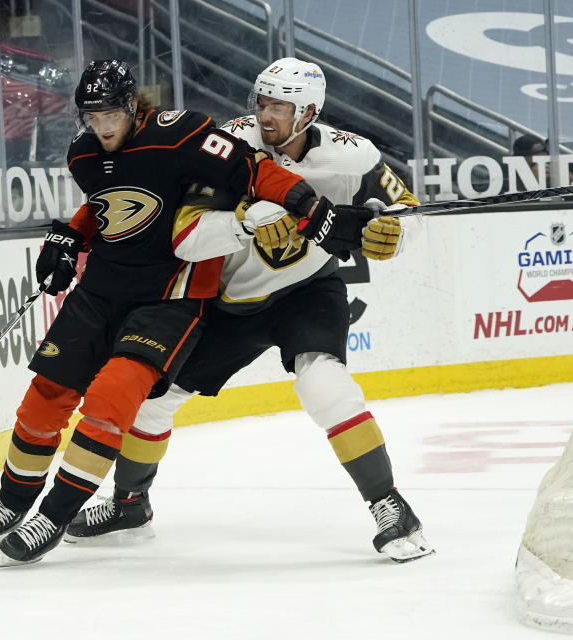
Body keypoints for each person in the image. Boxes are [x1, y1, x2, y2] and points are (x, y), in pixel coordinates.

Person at [0, 59, 350, 566]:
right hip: (100, 290)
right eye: (92, 118)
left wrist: (306, 204)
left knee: (110, 398)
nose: (103, 127)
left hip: (170, 297)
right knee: (44, 397)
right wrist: (69, 236)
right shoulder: (83, 154)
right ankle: (11, 503)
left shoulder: (182, 133)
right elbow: (108, 206)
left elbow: (252, 169)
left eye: (111, 115)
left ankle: (53, 515)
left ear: (132, 106)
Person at [64, 57, 435, 563]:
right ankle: (131, 505)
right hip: (228, 300)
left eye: (280, 106)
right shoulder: (225, 146)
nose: (265, 115)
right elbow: (185, 238)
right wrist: (242, 220)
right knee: (153, 401)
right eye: (261, 102)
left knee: (323, 383)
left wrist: (393, 233)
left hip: (306, 290)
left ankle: (390, 506)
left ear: (308, 112)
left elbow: (405, 213)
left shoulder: (354, 157)